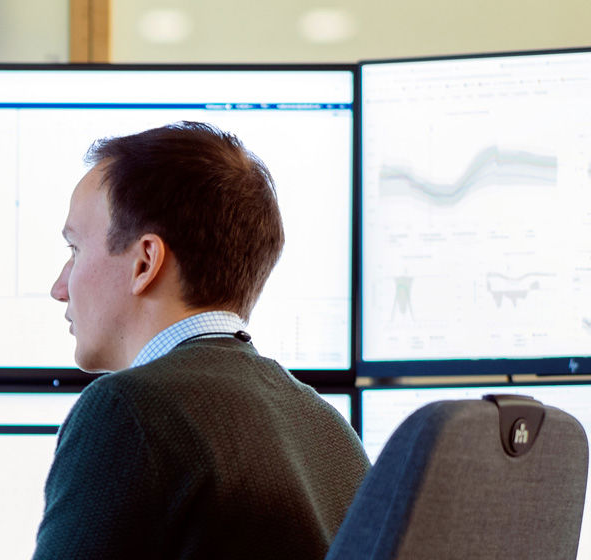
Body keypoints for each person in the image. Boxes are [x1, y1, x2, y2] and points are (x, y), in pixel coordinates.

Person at [33, 122, 369, 559]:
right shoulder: (329, 429)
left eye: (75, 250)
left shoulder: (127, 410)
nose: (60, 287)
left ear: (145, 262)